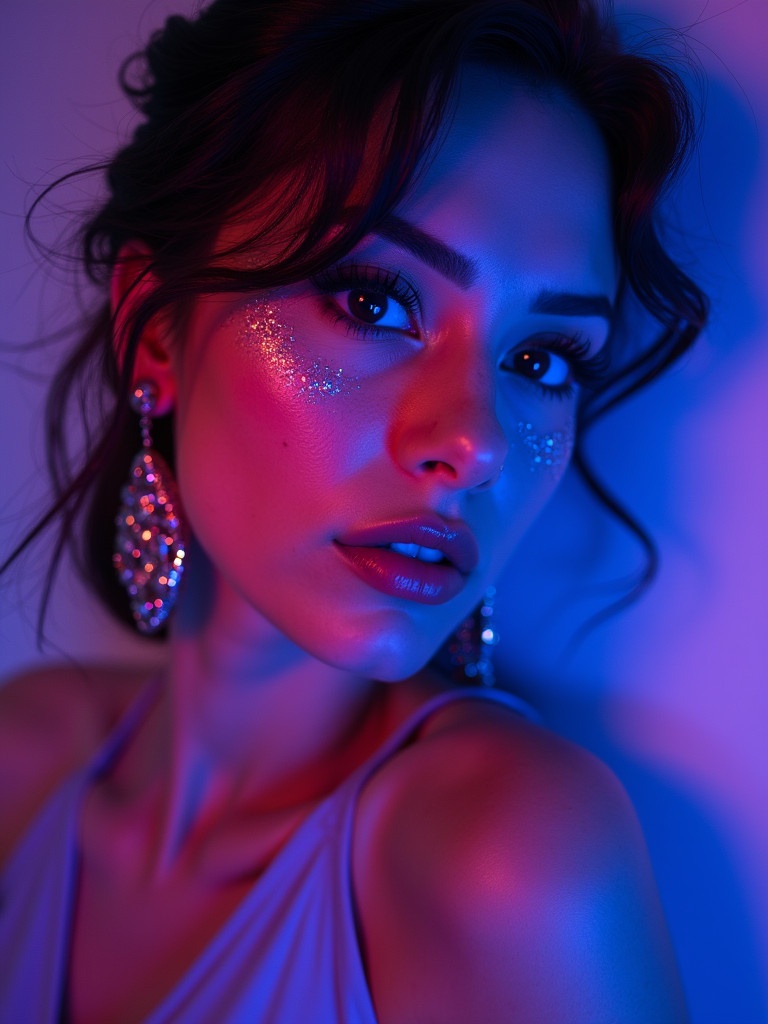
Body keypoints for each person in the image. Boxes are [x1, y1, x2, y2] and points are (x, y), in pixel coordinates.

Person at [0, 1, 708, 1021]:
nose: (477, 443)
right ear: (155, 331)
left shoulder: (507, 854)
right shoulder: (25, 758)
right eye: (375, 300)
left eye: (542, 358)